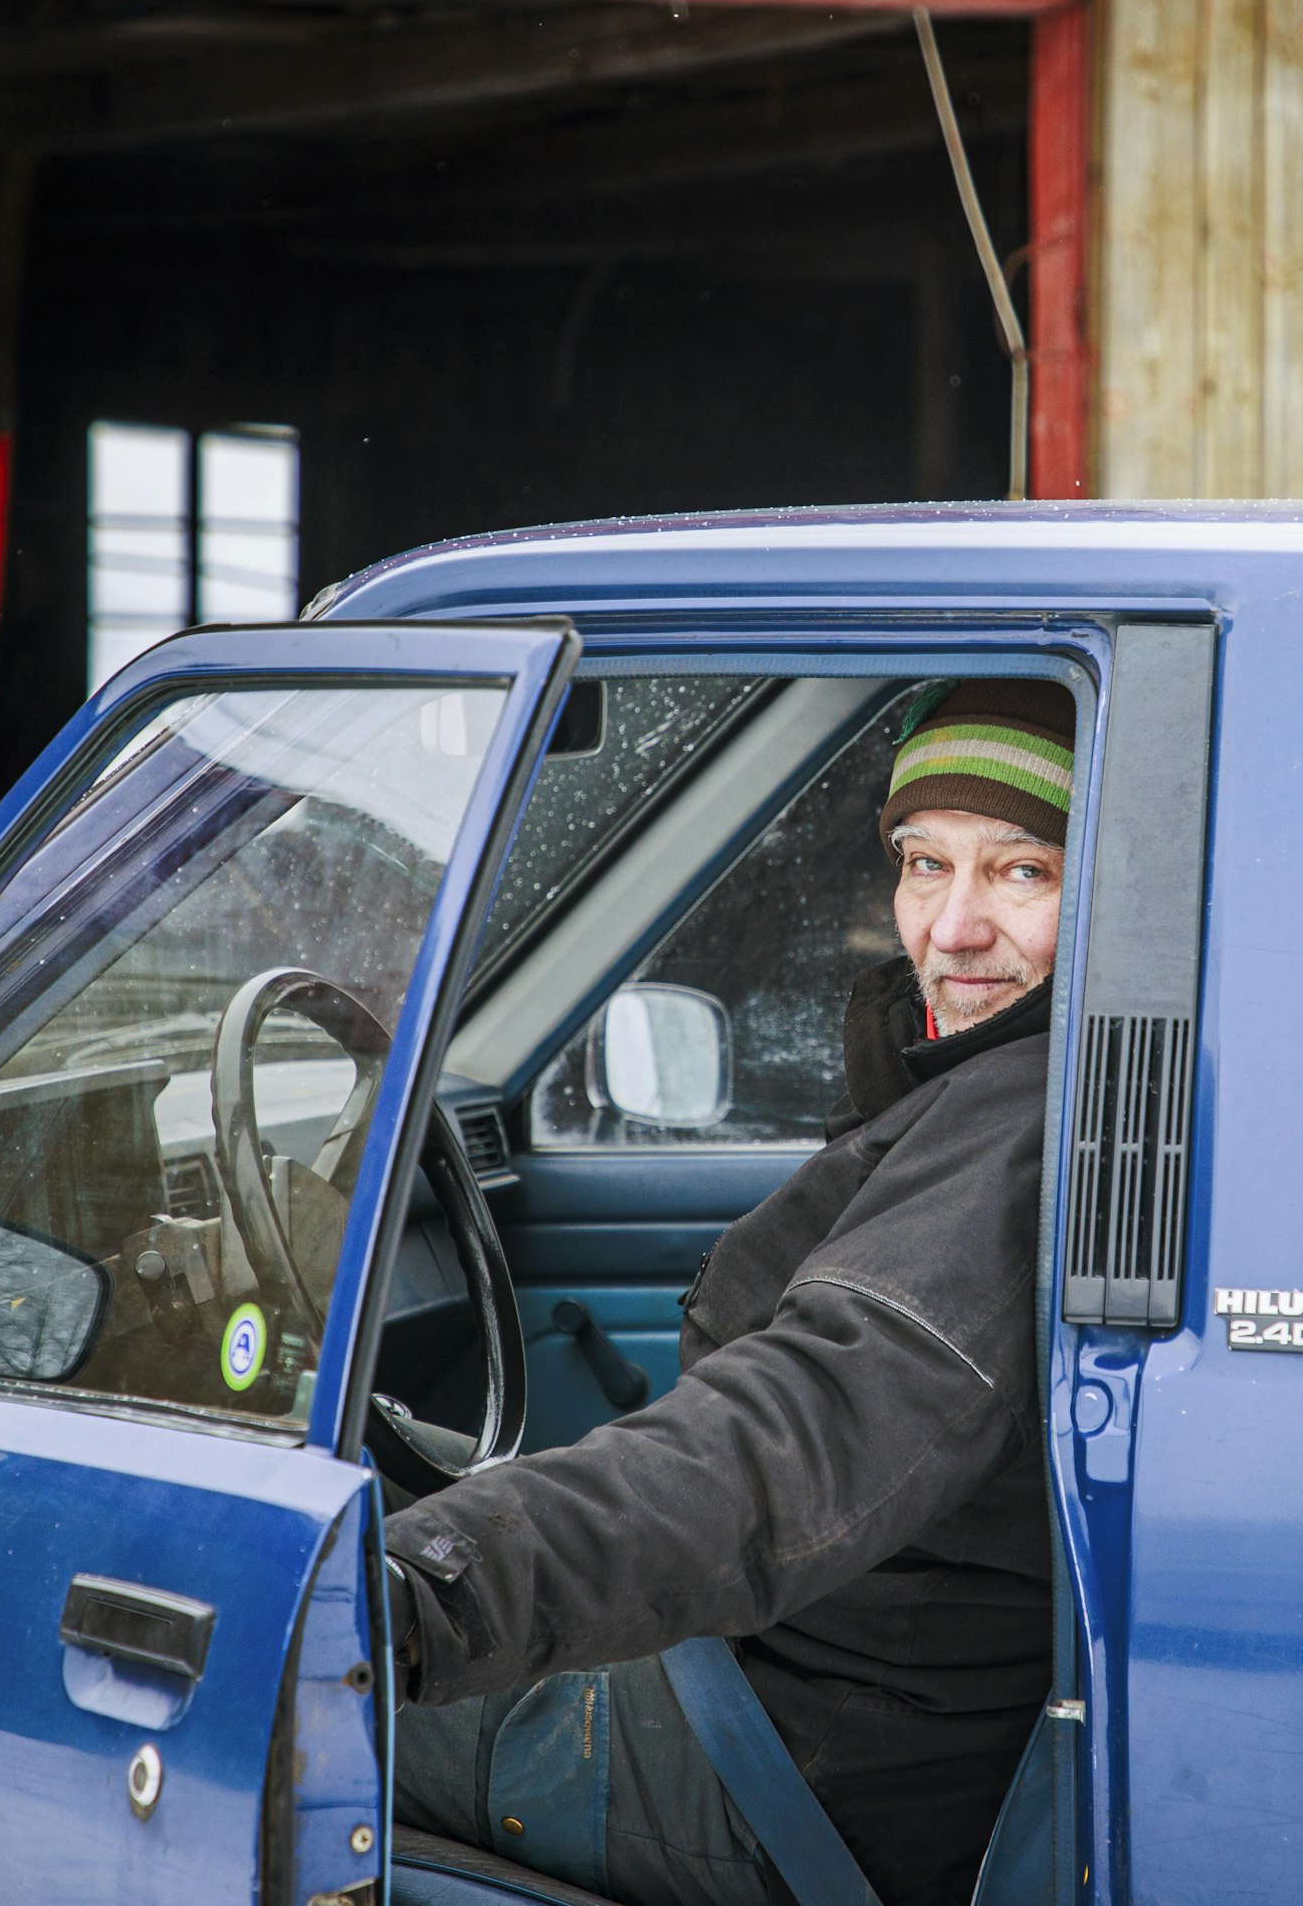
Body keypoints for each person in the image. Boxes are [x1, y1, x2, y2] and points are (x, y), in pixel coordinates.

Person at [385, 678, 1077, 1906]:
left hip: (783, 1767)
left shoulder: (1023, 1129)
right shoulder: (1001, 1078)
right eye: (924, 863)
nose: (953, 928)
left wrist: (432, 1583)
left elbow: (791, 1439)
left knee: (219, 1683)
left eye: (1020, 870)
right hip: (807, 1681)